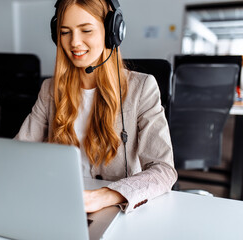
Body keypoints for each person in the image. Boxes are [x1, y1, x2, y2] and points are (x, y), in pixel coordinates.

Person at [15, 0, 177, 213]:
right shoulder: (50, 89)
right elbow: (19, 152)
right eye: (65, 32)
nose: (74, 42)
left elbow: (163, 170)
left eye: (86, 30)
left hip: (117, 208)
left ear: (112, 32)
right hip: (61, 202)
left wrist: (104, 196)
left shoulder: (142, 88)